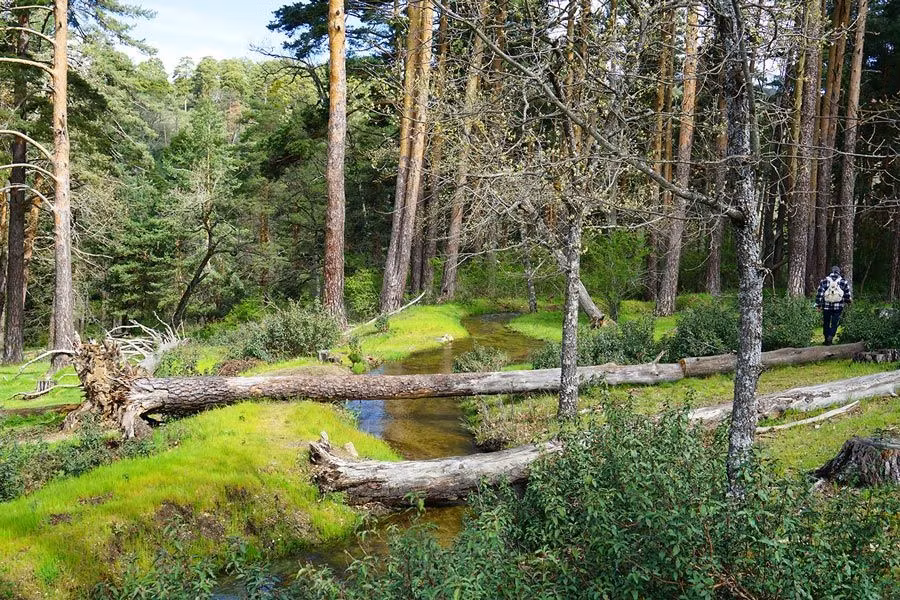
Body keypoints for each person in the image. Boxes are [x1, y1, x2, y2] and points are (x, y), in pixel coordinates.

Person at [815, 266, 852, 346]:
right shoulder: (843, 281)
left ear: (831, 272)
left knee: (826, 322)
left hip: (826, 306)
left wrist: (818, 305)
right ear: (839, 272)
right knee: (835, 323)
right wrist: (848, 302)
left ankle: (826, 339)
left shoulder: (824, 281)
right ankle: (831, 337)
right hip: (838, 307)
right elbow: (847, 295)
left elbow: (820, 293)